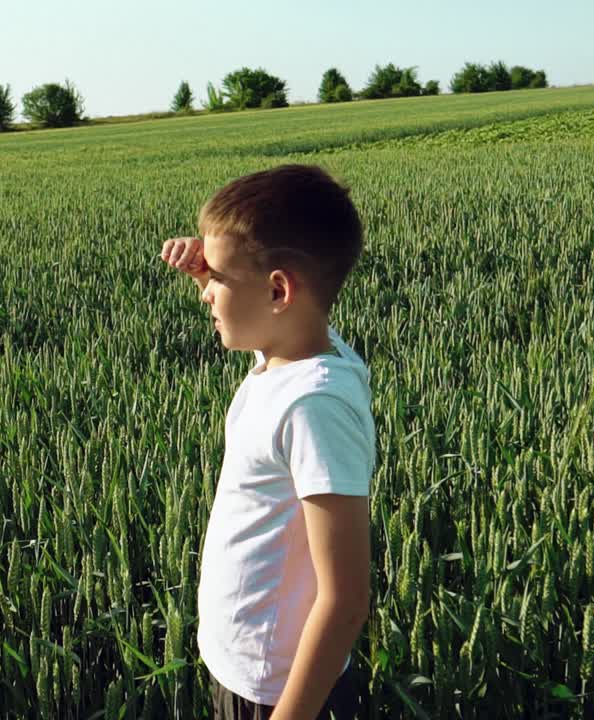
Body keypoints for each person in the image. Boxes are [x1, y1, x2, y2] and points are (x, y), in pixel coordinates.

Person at [159, 164, 375, 720]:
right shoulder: (291, 353)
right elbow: (270, 315)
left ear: (278, 289)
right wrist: (213, 266)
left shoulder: (313, 406)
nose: (206, 293)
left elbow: (346, 596)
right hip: (248, 669)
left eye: (216, 281)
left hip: (277, 693)